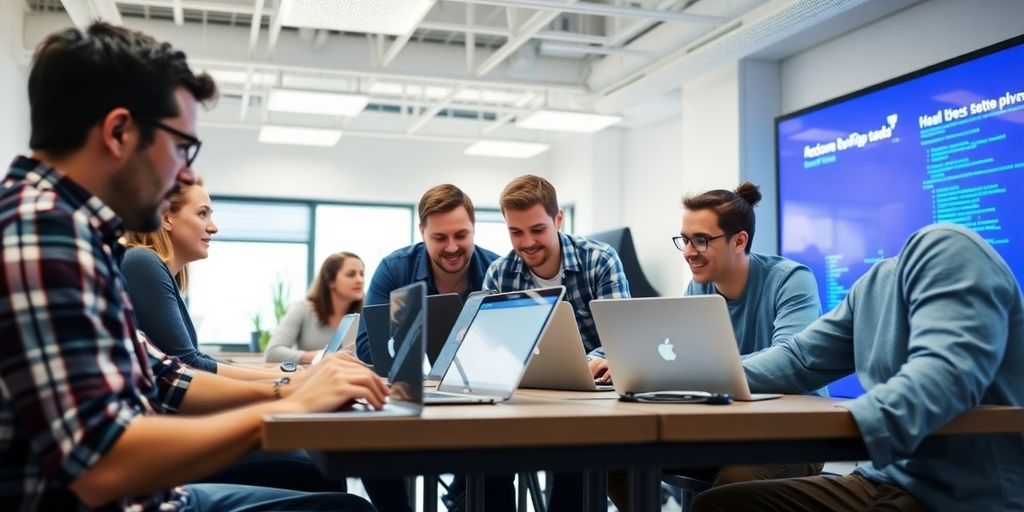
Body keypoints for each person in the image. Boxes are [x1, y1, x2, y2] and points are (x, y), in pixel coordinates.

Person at [0, 22, 386, 511]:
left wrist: (295, 383)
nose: (185, 172)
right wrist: (289, 406)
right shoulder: (41, 235)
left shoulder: (75, 232)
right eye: (182, 146)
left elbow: (164, 376)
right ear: (119, 132)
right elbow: (102, 465)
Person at [691, 224, 1024, 512]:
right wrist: (697, 377)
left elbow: (945, 374)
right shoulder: (872, 285)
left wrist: (848, 424)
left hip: (967, 494)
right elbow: (799, 358)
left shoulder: (946, 247)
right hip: (887, 479)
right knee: (718, 504)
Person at [607, 182, 824, 510]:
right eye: (685, 239)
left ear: (739, 241)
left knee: (727, 493)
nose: (689, 251)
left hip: (790, 436)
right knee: (614, 458)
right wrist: (607, 356)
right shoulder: (700, 290)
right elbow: (666, 343)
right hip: (725, 433)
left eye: (701, 240)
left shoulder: (790, 280)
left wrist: (701, 372)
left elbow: (789, 362)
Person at [353, 183, 510, 511]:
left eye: (461, 235)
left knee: (498, 458)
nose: (452, 247)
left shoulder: (498, 271)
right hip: (408, 397)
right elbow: (369, 347)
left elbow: (509, 348)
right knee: (369, 448)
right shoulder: (396, 268)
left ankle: (461, 500)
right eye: (440, 238)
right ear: (422, 231)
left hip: (478, 404)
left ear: (474, 229)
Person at [482, 174, 630, 512]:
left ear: (558, 219)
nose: (527, 242)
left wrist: (593, 360)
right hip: (523, 399)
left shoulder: (600, 259)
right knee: (486, 461)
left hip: (590, 403)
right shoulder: (498, 274)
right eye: (515, 232)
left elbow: (620, 333)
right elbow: (492, 349)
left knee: (574, 461)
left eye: (537, 230)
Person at [122, 177, 295, 380]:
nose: (213, 227)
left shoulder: (152, 267)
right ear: (167, 218)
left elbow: (196, 359)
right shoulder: (142, 262)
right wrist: (284, 379)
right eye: (202, 214)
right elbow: (188, 364)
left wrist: (276, 372)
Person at [265, 252, 365, 364]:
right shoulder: (302, 310)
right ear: (330, 281)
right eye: (351, 274)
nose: (360, 280)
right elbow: (272, 353)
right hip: (313, 378)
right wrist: (322, 356)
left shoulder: (366, 313)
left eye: (362, 274)